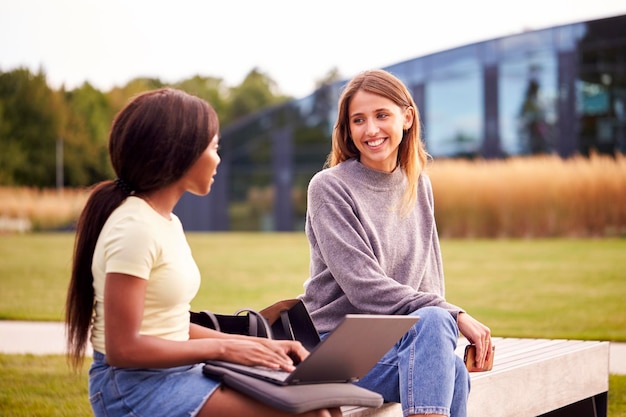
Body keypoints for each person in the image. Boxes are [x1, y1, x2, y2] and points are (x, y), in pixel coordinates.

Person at [65, 88, 341, 417]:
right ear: (179, 152)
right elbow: (122, 349)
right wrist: (225, 349)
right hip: (134, 386)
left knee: (319, 401)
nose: (218, 158)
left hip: (175, 371)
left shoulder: (165, 222)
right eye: (213, 147)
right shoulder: (134, 227)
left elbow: (171, 324)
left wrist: (262, 346)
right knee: (306, 413)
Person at [300, 70, 493, 417]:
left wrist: (441, 327)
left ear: (407, 117)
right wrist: (456, 315)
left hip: (393, 343)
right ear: (347, 129)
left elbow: (428, 281)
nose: (370, 130)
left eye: (381, 115)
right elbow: (365, 288)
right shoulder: (329, 187)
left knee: (453, 367)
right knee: (446, 350)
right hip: (332, 348)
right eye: (358, 120)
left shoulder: (418, 185)